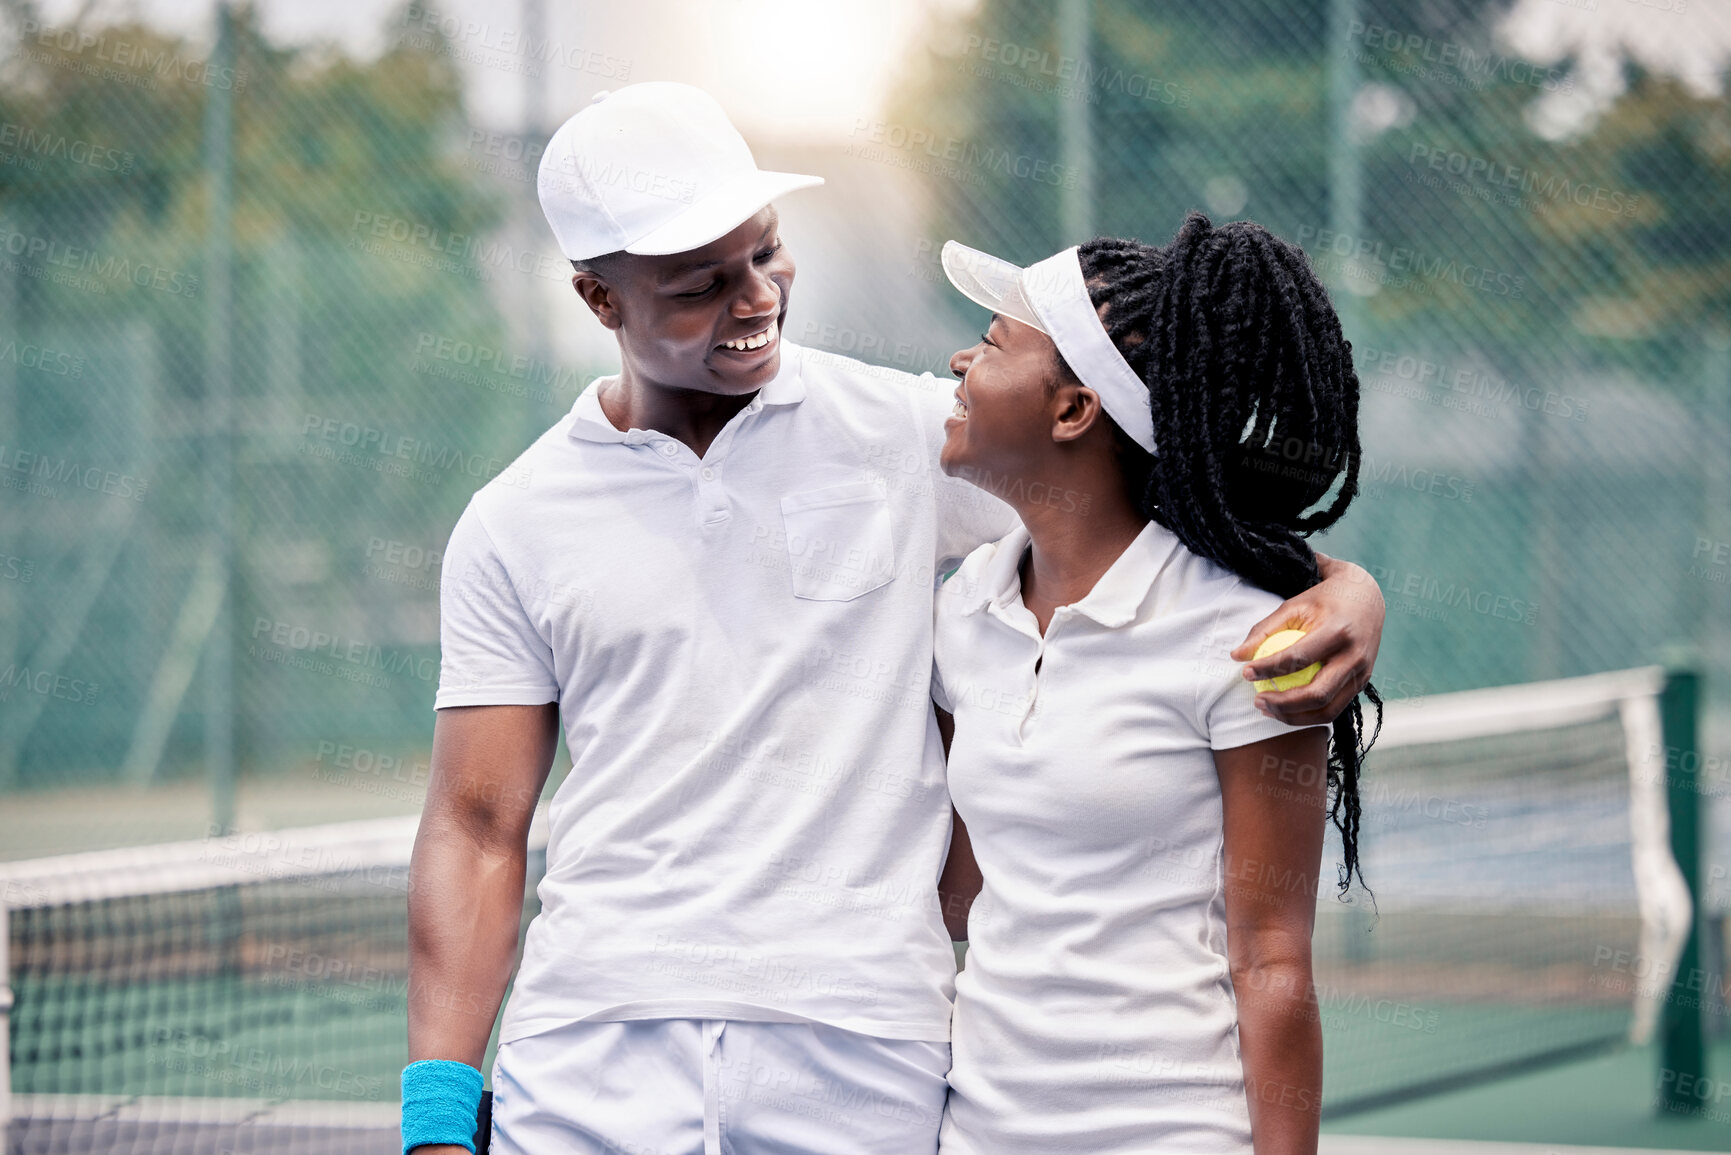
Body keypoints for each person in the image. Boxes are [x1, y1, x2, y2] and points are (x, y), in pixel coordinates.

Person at [402, 82, 1386, 1155]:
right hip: (588, 1051)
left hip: (864, 1056)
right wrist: (438, 1120)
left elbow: (1155, 498)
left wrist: (1344, 589)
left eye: (767, 253)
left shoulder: (915, 434)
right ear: (600, 301)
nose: (756, 298)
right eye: (699, 285)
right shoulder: (512, 522)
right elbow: (476, 825)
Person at [930, 216, 1379, 1155]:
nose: (961, 356)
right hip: (973, 1130)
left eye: (999, 341)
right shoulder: (964, 609)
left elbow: (1271, 960)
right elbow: (962, 895)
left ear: (1073, 411)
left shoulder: (1248, 636)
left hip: (1169, 1129)